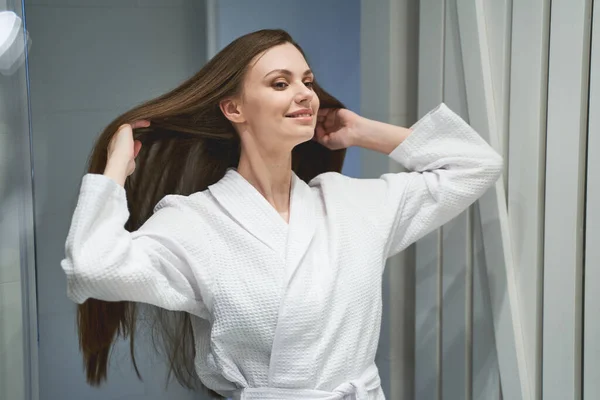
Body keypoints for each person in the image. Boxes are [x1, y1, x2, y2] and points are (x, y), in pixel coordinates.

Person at [61, 29, 503, 400]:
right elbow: (92, 267)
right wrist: (115, 170)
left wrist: (362, 131)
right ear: (234, 108)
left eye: (307, 81)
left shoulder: (352, 205)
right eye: (280, 83)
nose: (304, 95)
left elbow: (475, 165)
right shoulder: (194, 222)